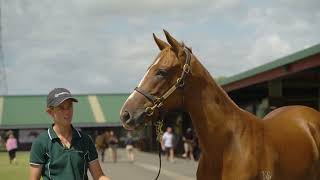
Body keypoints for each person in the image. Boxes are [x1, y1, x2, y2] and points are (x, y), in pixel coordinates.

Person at [29, 88, 110, 180]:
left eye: (69, 106)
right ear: (50, 112)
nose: (67, 112)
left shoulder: (85, 139)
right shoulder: (40, 142)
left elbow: (98, 176)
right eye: (61, 108)